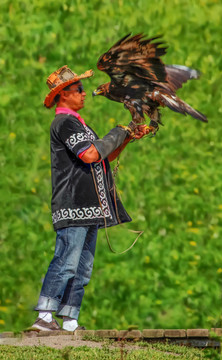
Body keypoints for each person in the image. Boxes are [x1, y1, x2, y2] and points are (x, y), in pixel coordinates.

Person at [31, 65, 149, 331]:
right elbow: (90, 155)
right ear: (64, 95)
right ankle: (45, 317)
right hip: (73, 206)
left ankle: (70, 320)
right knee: (66, 262)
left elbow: (105, 155)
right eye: (79, 90)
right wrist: (119, 130)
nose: (84, 94)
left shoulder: (81, 125)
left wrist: (128, 135)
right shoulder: (64, 123)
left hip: (89, 208)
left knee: (83, 268)